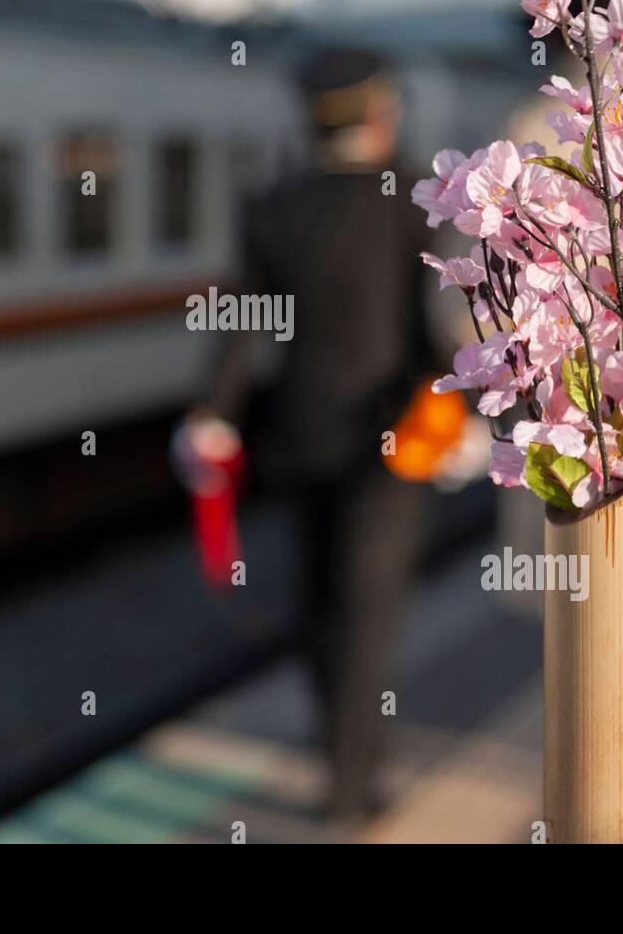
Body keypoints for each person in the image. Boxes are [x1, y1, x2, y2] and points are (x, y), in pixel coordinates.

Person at [182, 47, 437, 824]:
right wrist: (455, 407)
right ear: (379, 114)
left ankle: (347, 754)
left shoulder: (273, 202)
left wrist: (213, 415)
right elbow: (430, 330)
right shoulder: (411, 201)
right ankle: (352, 788)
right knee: (369, 612)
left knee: (319, 602)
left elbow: (241, 324)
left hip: (300, 434)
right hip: (390, 441)